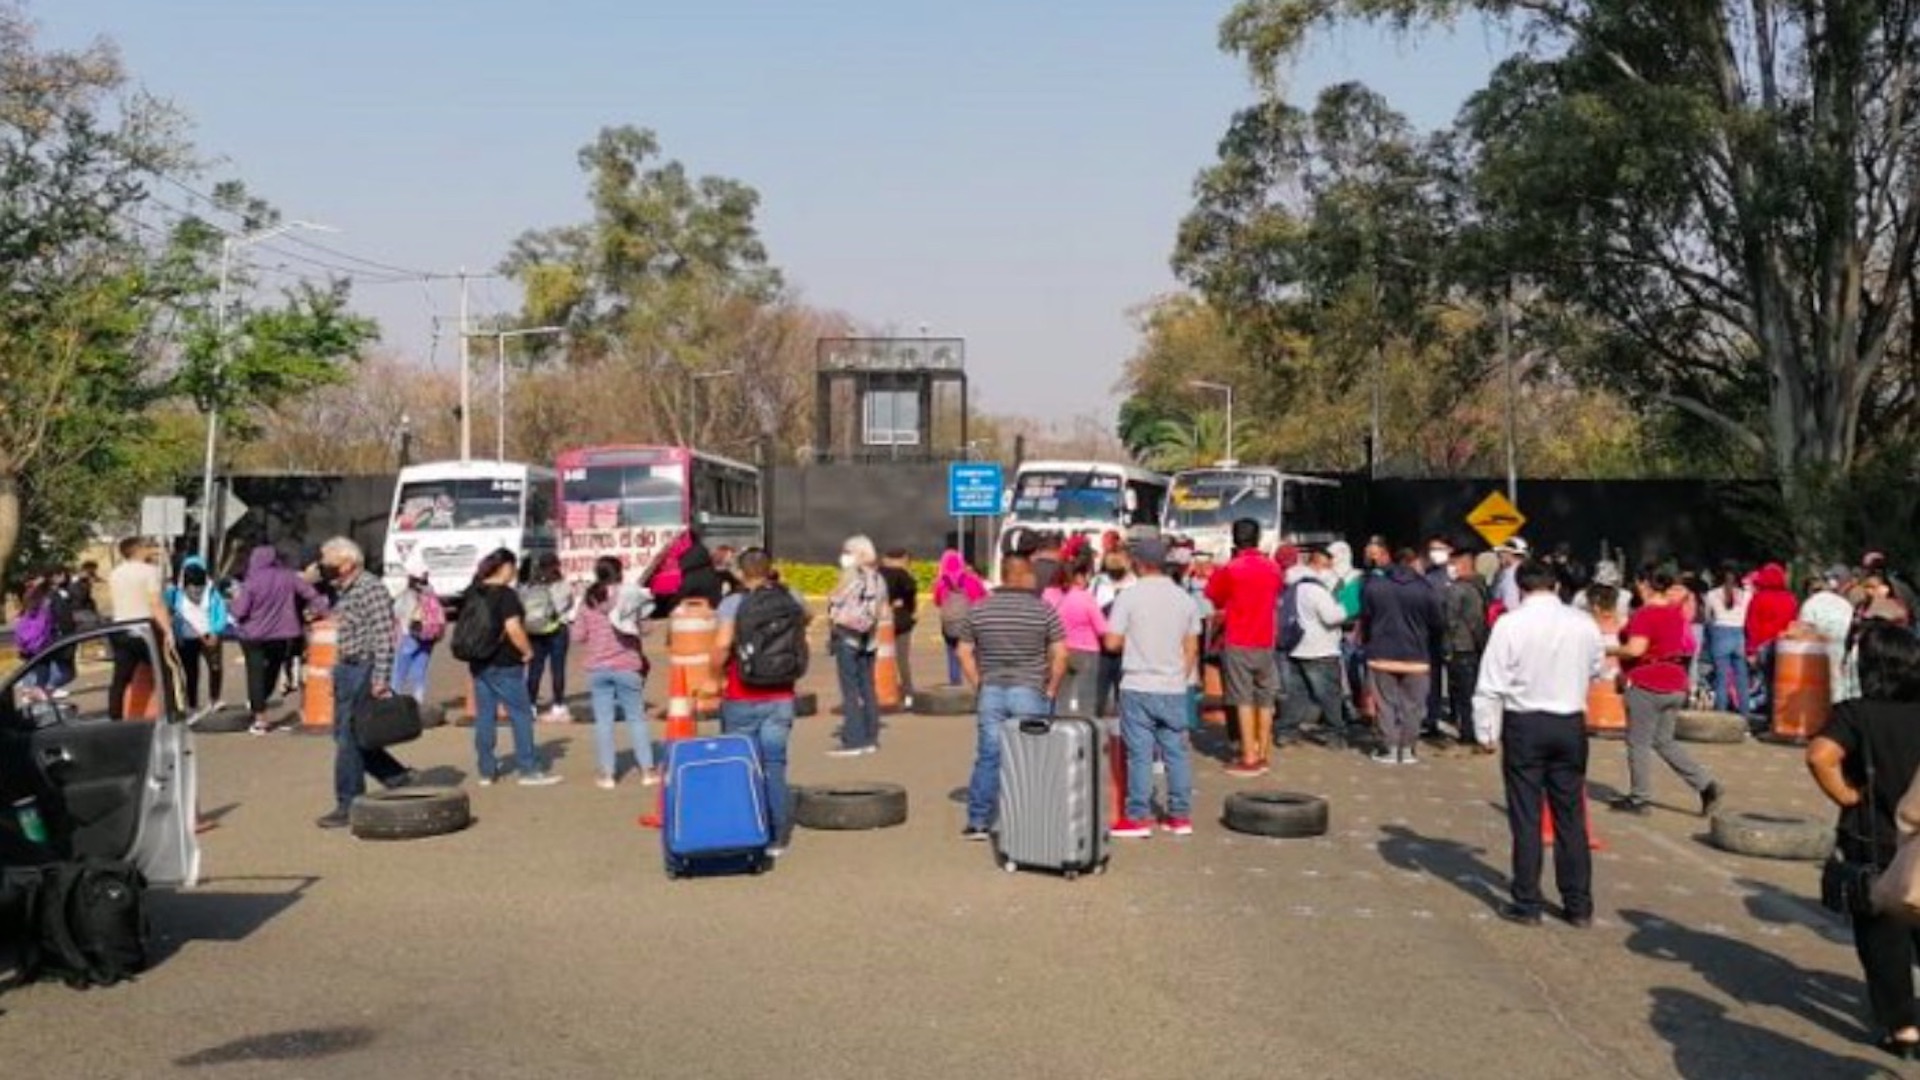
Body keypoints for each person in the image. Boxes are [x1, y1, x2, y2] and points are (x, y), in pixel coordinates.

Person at [1806, 624, 1920, 1061]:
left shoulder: (1857, 713)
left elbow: (1820, 755)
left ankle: (1902, 1026)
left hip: (1875, 840)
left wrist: (1846, 794)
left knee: (1881, 936)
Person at [1474, 560, 1607, 928]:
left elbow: (1491, 682)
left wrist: (1486, 731)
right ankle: (1579, 905)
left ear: (1519, 588)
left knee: (1527, 816)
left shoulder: (1510, 624)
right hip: (1569, 721)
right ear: (1556, 586)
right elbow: (1598, 667)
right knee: (1570, 816)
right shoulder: (1582, 623)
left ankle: (1527, 901)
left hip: (1525, 722)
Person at [956, 552, 1068, 841]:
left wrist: (979, 683)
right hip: (1030, 691)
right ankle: (1027, 820)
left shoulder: (979, 609)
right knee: (1029, 758)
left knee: (989, 756)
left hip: (991, 691)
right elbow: (1060, 654)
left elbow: (963, 652)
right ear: (1022, 575)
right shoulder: (1043, 610)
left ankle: (978, 821)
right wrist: (1051, 688)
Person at [312, 538, 416, 830]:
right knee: (352, 736)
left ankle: (349, 804)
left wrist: (381, 679)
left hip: (364, 667)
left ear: (347, 563)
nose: (325, 567)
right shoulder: (344, 589)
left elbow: (385, 636)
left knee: (347, 739)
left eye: (329, 562)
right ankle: (397, 777)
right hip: (347, 667)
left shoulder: (370, 588)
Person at [708, 548, 806, 856]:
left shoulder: (733, 603)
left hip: (742, 693)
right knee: (774, 765)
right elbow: (808, 618)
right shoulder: (791, 596)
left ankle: (748, 831)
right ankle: (778, 838)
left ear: (740, 572)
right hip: (781, 694)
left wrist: (714, 676)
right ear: (770, 569)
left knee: (742, 765)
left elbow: (723, 645)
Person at [1105, 539, 1201, 839]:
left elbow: (1112, 642)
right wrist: (1177, 676)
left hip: (1137, 683)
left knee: (1140, 754)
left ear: (1139, 563)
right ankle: (1180, 816)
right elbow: (1191, 646)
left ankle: (1137, 816)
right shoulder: (1185, 599)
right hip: (1172, 686)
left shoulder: (1129, 597)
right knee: (1176, 752)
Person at [1608, 569, 1725, 817]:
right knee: (1664, 741)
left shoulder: (1645, 614)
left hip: (1647, 682)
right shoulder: (1677, 613)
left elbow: (1636, 649)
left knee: (1638, 742)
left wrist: (1609, 650)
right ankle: (1706, 784)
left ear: (1644, 585)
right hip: (1675, 681)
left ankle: (1640, 798)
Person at [464, 548, 563, 786]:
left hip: (478, 661)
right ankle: (527, 769)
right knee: (521, 714)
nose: (515, 571)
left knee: (485, 716)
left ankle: (486, 770)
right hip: (504, 662)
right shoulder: (505, 595)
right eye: (513, 566)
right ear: (505, 567)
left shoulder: (473, 591)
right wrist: (527, 651)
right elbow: (513, 629)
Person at [1205, 518, 1284, 777]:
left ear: (1234, 538)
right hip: (1266, 638)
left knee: (1242, 698)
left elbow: (1214, 596)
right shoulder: (1273, 568)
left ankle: (1249, 756)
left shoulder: (1231, 569)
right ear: (1258, 538)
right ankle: (1264, 753)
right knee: (1265, 697)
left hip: (1238, 637)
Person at [572, 555, 656, 790]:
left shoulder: (588, 599)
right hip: (627, 665)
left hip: (597, 667)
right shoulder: (629, 595)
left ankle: (607, 775)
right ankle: (648, 771)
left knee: (603, 722)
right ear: (620, 572)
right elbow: (646, 628)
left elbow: (577, 636)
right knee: (636, 718)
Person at [229, 544, 325, 735]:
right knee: (272, 670)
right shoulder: (288, 577)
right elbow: (313, 595)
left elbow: (239, 611)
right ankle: (260, 700)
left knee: (254, 673)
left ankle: (260, 717)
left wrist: (233, 607)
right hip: (282, 634)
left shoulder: (252, 581)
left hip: (253, 635)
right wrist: (318, 613)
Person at [1361, 548, 1444, 765]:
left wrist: (1368, 644)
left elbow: (1366, 619)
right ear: (1415, 562)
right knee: (1413, 705)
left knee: (1385, 704)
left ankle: (1388, 747)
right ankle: (1407, 748)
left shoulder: (1374, 586)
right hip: (1416, 655)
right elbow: (1437, 623)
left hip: (1381, 654)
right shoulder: (1426, 589)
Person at [1279, 546, 1356, 750]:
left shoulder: (1293, 585)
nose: (1331, 570)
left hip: (1296, 648)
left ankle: (1286, 732)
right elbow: (1331, 617)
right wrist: (1348, 606)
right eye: (1328, 565)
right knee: (1329, 696)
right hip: (1321, 649)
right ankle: (1335, 736)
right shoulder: (1315, 589)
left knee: (1296, 695)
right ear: (1319, 564)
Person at [826, 535, 888, 756]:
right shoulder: (879, 579)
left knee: (850, 690)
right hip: (869, 640)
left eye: (848, 551)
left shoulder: (851, 576)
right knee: (868, 687)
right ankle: (871, 735)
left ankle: (854, 739)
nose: (844, 556)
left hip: (848, 637)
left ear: (859, 554)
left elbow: (836, 603)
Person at [107, 537, 171, 722]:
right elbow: (155, 602)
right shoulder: (150, 571)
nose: (151, 549)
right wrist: (167, 630)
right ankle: (170, 713)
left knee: (121, 676)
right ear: (138, 550)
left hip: (120, 627)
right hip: (144, 627)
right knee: (164, 672)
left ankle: (115, 716)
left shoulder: (116, 573)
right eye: (147, 547)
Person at [1043, 549, 1108, 715]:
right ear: (1078, 576)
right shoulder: (1085, 597)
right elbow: (1102, 629)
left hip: (1058, 651)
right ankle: (1083, 734)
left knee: (1060, 697)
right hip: (1087, 652)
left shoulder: (1048, 594)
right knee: (1086, 699)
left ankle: (1061, 733)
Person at [1442, 548, 1492, 750]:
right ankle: (1470, 729)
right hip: (1474, 646)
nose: (1450, 568)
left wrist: (1446, 646)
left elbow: (1450, 620)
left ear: (1463, 564)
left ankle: (1468, 733)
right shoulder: (1481, 585)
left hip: (1461, 646)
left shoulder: (1459, 589)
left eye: (1453, 563)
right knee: (1471, 692)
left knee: (1465, 694)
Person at [165, 555, 229, 711]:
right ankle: (192, 704)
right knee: (190, 672)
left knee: (215, 668)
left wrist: (216, 631)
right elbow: (165, 611)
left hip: (209, 635)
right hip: (186, 639)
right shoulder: (174, 592)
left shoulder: (212, 591)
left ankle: (214, 699)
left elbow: (221, 613)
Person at [518, 552, 575, 723]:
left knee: (535, 669)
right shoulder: (563, 585)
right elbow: (568, 605)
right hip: (557, 630)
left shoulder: (529, 586)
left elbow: (522, 608)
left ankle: (531, 705)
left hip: (534, 631)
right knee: (557, 669)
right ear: (557, 565)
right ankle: (557, 705)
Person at [1744, 561, 1799, 726]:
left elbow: (1752, 625)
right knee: (1783, 683)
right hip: (1785, 645)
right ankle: (1780, 718)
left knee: (1767, 682)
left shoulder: (1759, 598)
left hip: (1764, 645)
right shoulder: (1790, 599)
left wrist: (1751, 649)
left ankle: (1769, 717)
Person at [1801, 567, 1860, 705]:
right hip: (1843, 644)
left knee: (1825, 682)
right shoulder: (1844, 603)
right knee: (1841, 680)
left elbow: (1804, 629)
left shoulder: (1811, 604)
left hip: (1820, 647)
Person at [390, 555, 444, 704]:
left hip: (410, 635)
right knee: (419, 673)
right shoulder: (430, 590)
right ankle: (418, 705)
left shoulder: (408, 592)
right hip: (428, 635)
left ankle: (392, 705)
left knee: (398, 674)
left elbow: (397, 611)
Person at [934, 549, 988, 686]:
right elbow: (982, 599)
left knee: (952, 653)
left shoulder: (941, 583)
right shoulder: (971, 580)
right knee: (974, 654)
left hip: (949, 627)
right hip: (970, 624)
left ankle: (955, 682)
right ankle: (978, 681)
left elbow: (937, 602)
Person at [1703, 562, 1752, 714]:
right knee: (1742, 679)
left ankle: (1721, 715)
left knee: (1721, 679)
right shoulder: (1747, 595)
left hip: (1720, 633)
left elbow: (1707, 617)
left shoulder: (1711, 595)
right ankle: (1745, 716)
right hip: (1739, 634)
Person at [878, 548, 920, 709]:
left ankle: (881, 690)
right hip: (901, 621)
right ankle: (908, 695)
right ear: (901, 559)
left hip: (879, 622)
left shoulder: (875, 574)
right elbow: (911, 591)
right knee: (902, 659)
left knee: (878, 659)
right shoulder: (902, 575)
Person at [1491, 538, 1530, 613]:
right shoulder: (1524, 569)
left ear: (1509, 553)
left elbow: (1510, 604)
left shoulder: (1511, 574)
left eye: (1502, 552)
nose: (1499, 555)